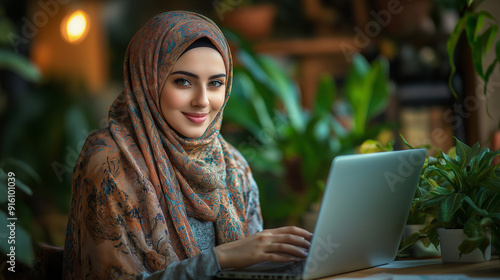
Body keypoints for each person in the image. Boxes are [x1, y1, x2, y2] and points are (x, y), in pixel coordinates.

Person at [63, 10, 312, 280]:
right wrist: (220, 258)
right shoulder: (109, 161)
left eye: (215, 83)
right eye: (183, 81)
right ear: (148, 81)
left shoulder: (233, 164)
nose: (202, 100)